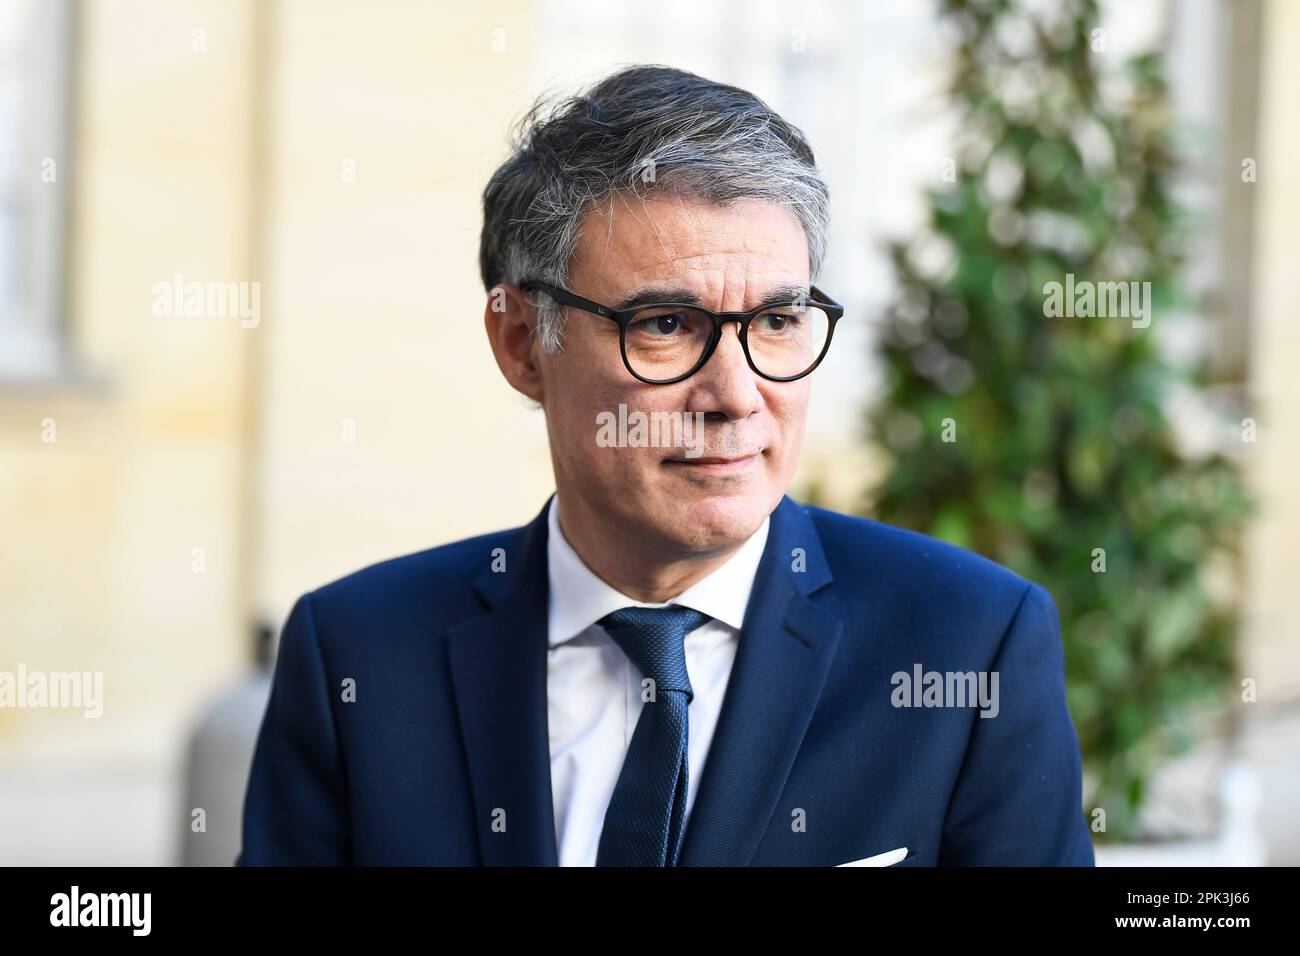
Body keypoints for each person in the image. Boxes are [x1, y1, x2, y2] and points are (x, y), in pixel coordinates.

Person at [237, 64, 1094, 867]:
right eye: (666, 326)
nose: (737, 396)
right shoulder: (358, 656)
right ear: (522, 343)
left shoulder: (970, 645)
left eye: (777, 322)